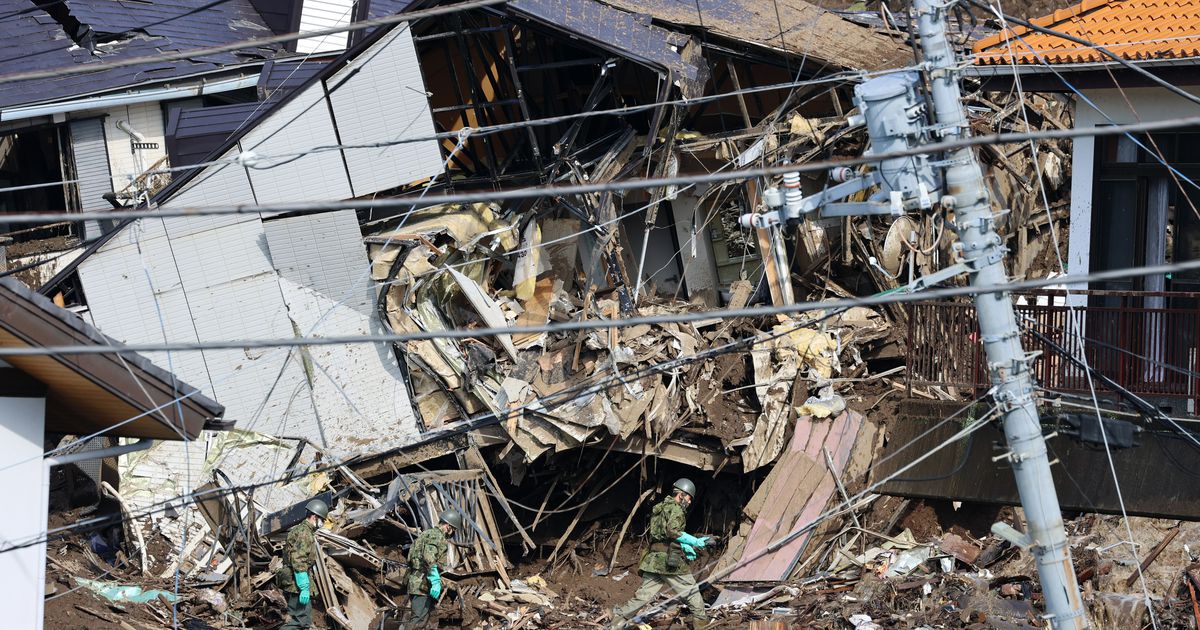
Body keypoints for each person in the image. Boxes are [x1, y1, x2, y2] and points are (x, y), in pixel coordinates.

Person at [612, 478, 710, 629]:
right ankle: (702, 624)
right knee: (692, 592)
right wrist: (694, 541)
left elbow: (662, 535)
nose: (689, 502)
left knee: (643, 596)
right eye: (689, 498)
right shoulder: (676, 509)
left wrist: (684, 545)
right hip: (668, 561)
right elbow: (672, 531)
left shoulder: (660, 507)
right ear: (681, 495)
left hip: (654, 559)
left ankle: (616, 622)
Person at [406, 509, 463, 628]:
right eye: (453, 529)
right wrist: (435, 578)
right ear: (448, 526)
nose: (453, 533)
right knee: (417, 620)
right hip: (421, 584)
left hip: (419, 582)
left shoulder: (427, 534)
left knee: (423, 620)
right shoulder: (436, 536)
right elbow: (429, 557)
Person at [279, 499, 327, 630]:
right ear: (315, 517)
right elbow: (298, 559)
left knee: (304, 621)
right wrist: (304, 586)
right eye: (322, 520)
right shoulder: (304, 533)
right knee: (299, 621)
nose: (322, 523)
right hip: (295, 583)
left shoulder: (301, 530)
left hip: (294, 581)